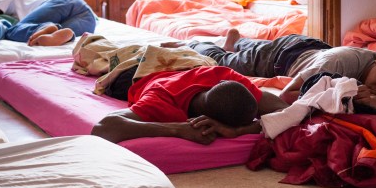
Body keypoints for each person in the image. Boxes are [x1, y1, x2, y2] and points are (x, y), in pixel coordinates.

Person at [164, 29, 376, 111]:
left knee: (249, 49)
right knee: (223, 62)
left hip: (309, 47)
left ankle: (238, 40)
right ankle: (196, 43)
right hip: (282, 57)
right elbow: (287, 98)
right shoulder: (337, 63)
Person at [91, 66, 289, 145]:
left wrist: (239, 131)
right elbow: (103, 127)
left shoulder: (227, 78)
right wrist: (178, 129)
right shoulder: (160, 102)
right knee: (108, 68)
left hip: (184, 66)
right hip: (138, 75)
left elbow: (285, 111)